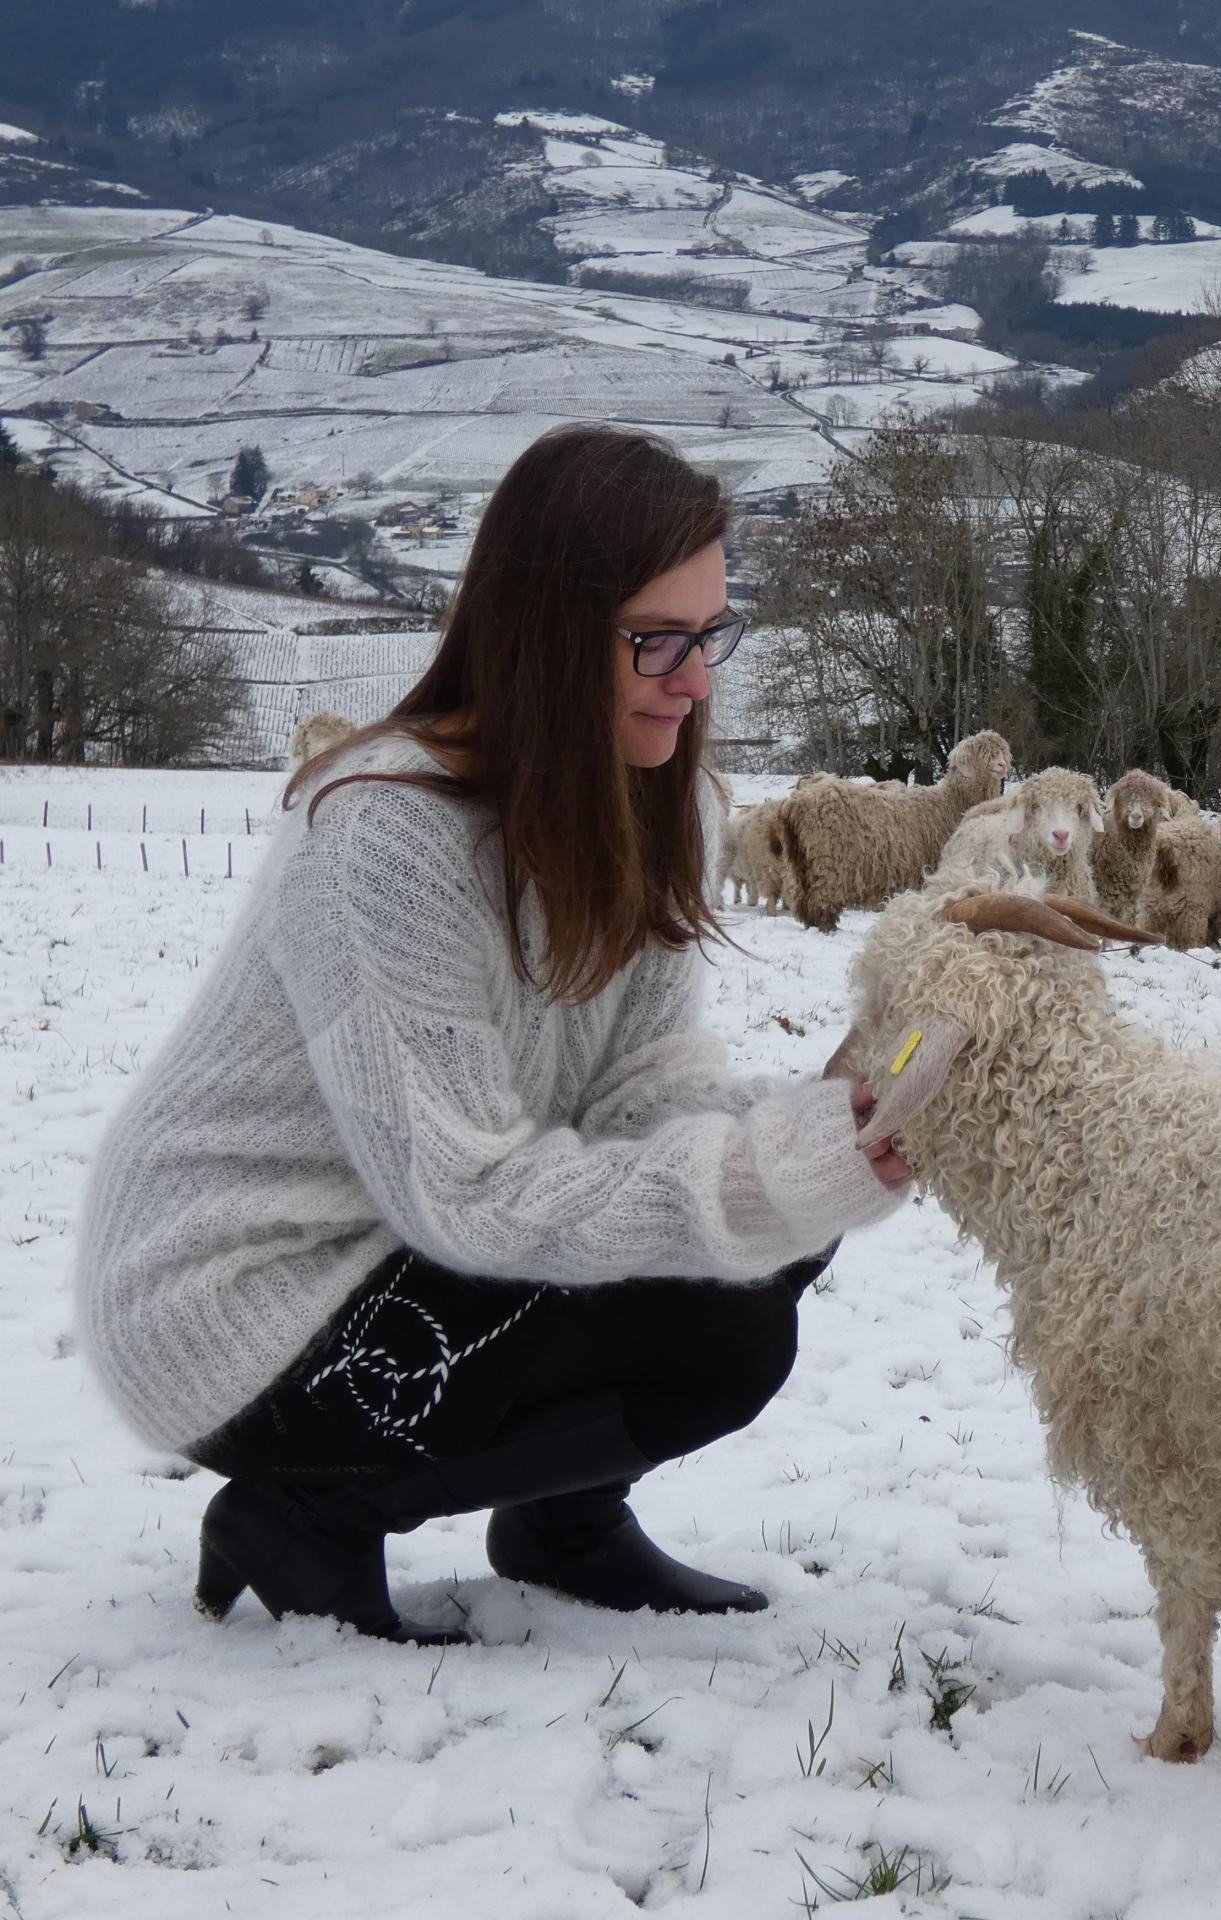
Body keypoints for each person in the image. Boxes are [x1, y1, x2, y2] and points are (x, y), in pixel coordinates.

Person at [73, 424, 912, 1645]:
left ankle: (563, 1523)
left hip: (397, 1241)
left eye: (711, 633)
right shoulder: (385, 838)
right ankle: (306, 1514)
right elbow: (463, 1194)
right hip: (237, 1299)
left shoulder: (655, 803)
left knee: (777, 1236)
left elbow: (642, 1088)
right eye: (657, 641)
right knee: (725, 1317)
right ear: (545, 635)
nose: (697, 680)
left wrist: (817, 1135)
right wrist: (754, 1174)